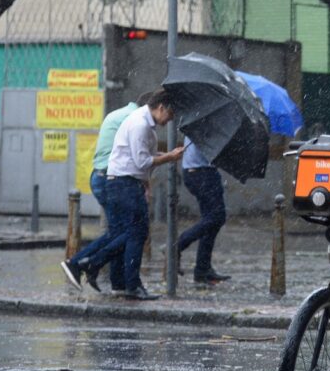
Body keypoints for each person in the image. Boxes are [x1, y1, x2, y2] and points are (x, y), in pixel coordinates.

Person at [61, 90, 184, 300]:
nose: (172, 119)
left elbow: (146, 157)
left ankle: (99, 269)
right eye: (171, 113)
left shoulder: (146, 126)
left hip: (126, 183)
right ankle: (114, 275)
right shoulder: (140, 124)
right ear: (161, 107)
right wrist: (170, 157)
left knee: (124, 233)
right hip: (123, 184)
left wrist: (168, 157)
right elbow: (142, 162)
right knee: (135, 233)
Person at [72, 91, 155, 293]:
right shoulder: (136, 120)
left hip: (102, 175)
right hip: (113, 177)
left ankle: (117, 281)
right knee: (126, 232)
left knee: (122, 231)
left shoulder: (121, 113)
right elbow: (138, 158)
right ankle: (82, 263)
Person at [175, 136, 231, 284]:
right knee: (217, 216)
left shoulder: (206, 120)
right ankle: (177, 246)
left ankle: (202, 269)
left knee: (211, 220)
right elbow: (215, 150)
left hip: (200, 171)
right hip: (202, 172)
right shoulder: (209, 123)